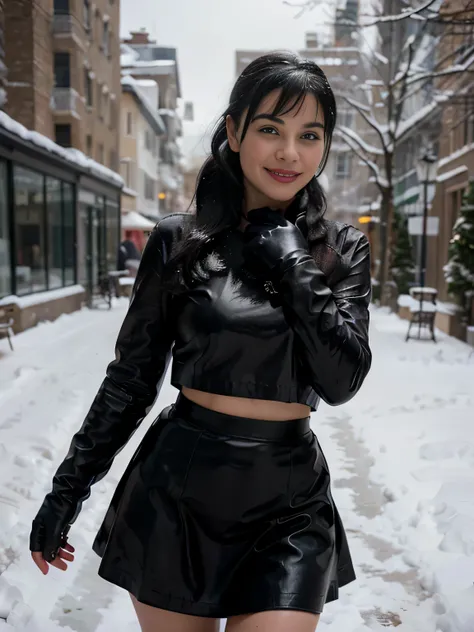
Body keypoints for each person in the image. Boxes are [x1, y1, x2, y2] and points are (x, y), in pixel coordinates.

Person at [29, 52, 372, 632]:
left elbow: (341, 381)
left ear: (325, 146)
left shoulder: (340, 251)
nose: (290, 153)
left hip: (289, 502)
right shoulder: (176, 242)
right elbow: (131, 380)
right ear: (234, 132)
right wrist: (67, 490)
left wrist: (291, 259)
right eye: (270, 129)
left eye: (309, 135)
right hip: (179, 493)